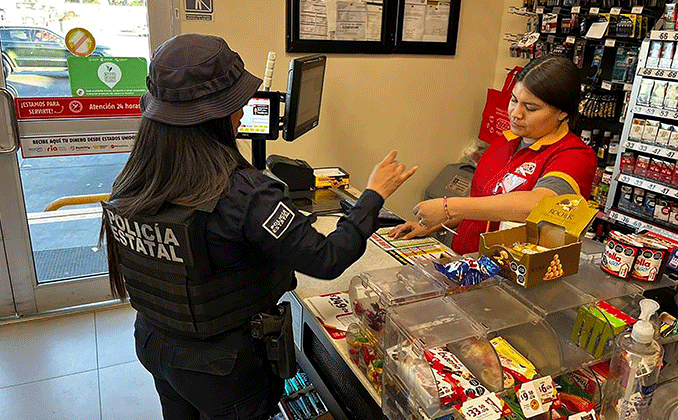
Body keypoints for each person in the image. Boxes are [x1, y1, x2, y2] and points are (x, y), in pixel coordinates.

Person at [99, 33, 416, 420]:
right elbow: (327, 258)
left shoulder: (136, 177)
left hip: (152, 342)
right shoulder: (243, 194)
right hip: (223, 369)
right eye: (237, 103)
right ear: (216, 114)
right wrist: (373, 195)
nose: (243, 110)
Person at [389, 55, 597, 255]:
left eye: (531, 108)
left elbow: (539, 205)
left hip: (510, 273)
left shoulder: (574, 155)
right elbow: (484, 202)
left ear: (563, 113)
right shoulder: (506, 141)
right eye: (514, 100)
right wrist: (433, 225)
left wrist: (449, 207)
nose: (516, 113)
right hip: (468, 260)